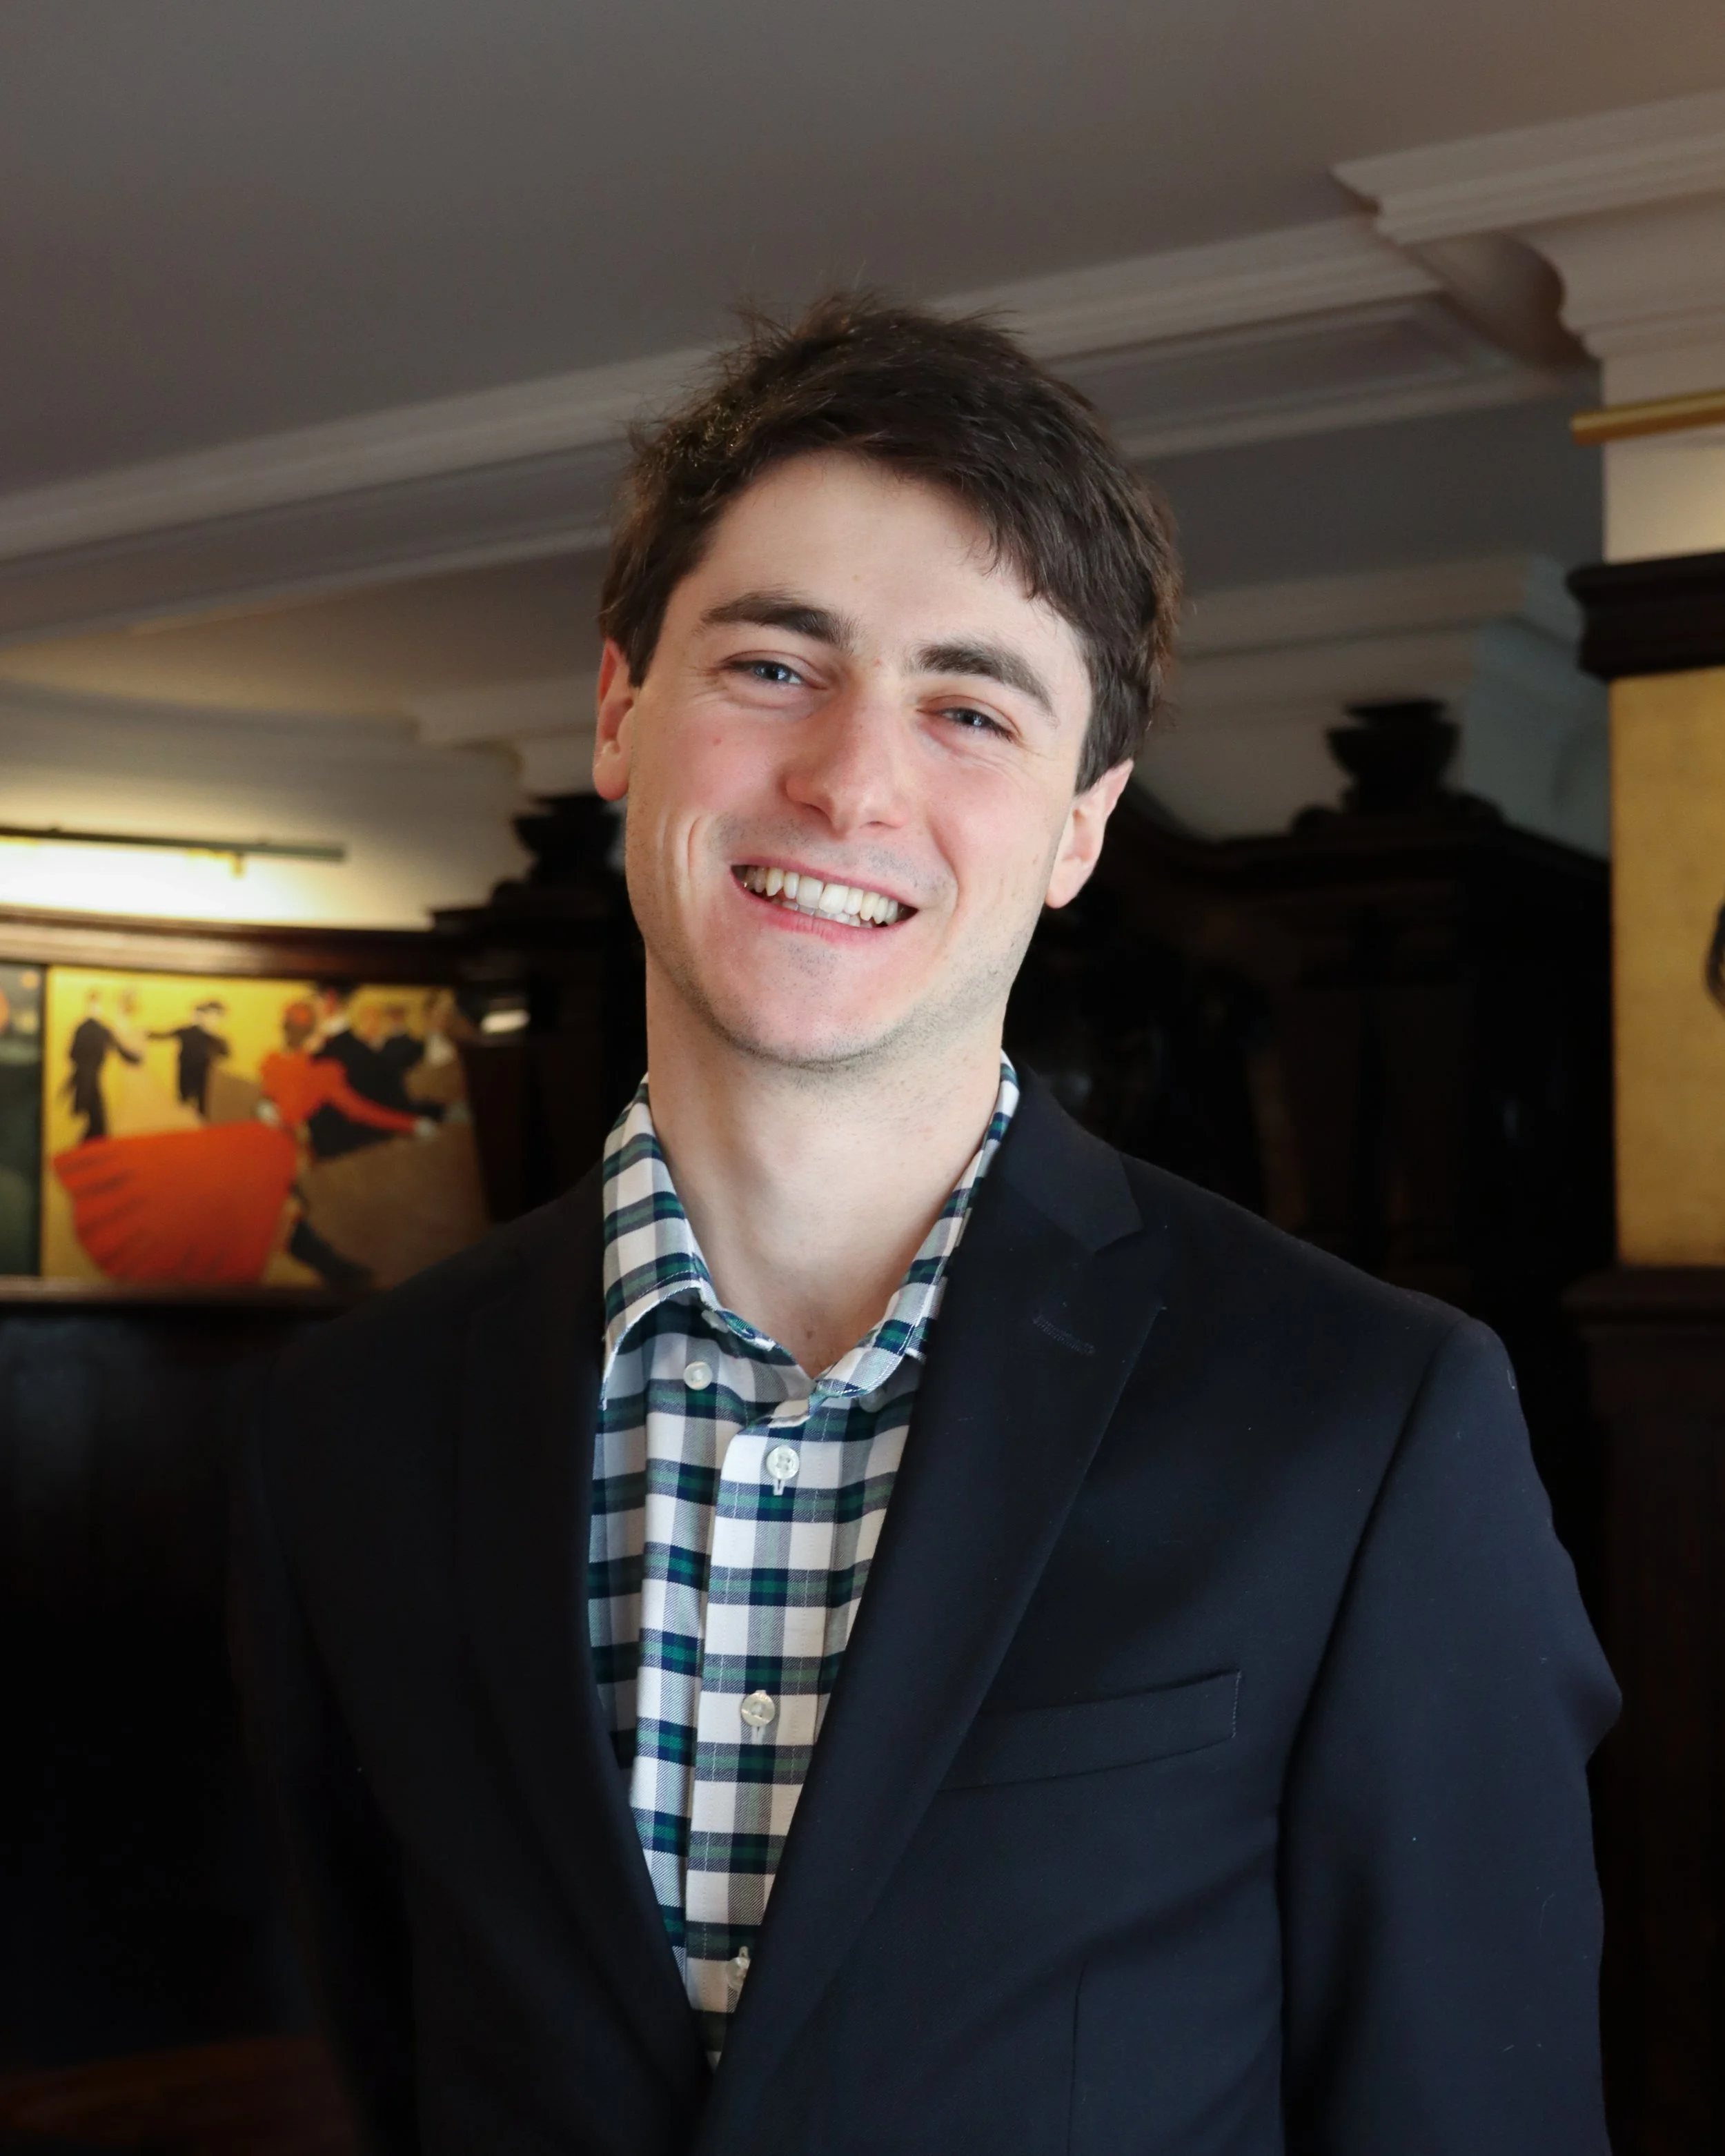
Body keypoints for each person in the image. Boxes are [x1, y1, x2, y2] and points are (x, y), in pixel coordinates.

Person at [232, 296, 1617, 2156]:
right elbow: (383, 2061)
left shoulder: (1365, 1419)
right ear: (619, 712)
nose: (852, 781)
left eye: (969, 708)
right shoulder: (350, 1426)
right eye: (772, 663)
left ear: (1080, 826)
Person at [61, 990, 140, 1142]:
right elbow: (121, 1049)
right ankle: (87, 1151)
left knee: (96, 1122)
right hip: (90, 1080)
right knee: (98, 1122)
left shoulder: (81, 1028)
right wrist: (136, 1059)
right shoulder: (100, 1029)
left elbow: (72, 1054)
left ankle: (86, 1148)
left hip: (83, 1079)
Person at [148, 998, 230, 1116]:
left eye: (218, 1017)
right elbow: (163, 1035)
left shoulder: (217, 1039)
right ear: (203, 1015)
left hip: (205, 1078)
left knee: (203, 1108)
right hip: (186, 1074)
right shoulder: (187, 1031)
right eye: (212, 1015)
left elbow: (225, 1055)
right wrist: (146, 1033)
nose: (214, 1020)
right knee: (183, 1105)